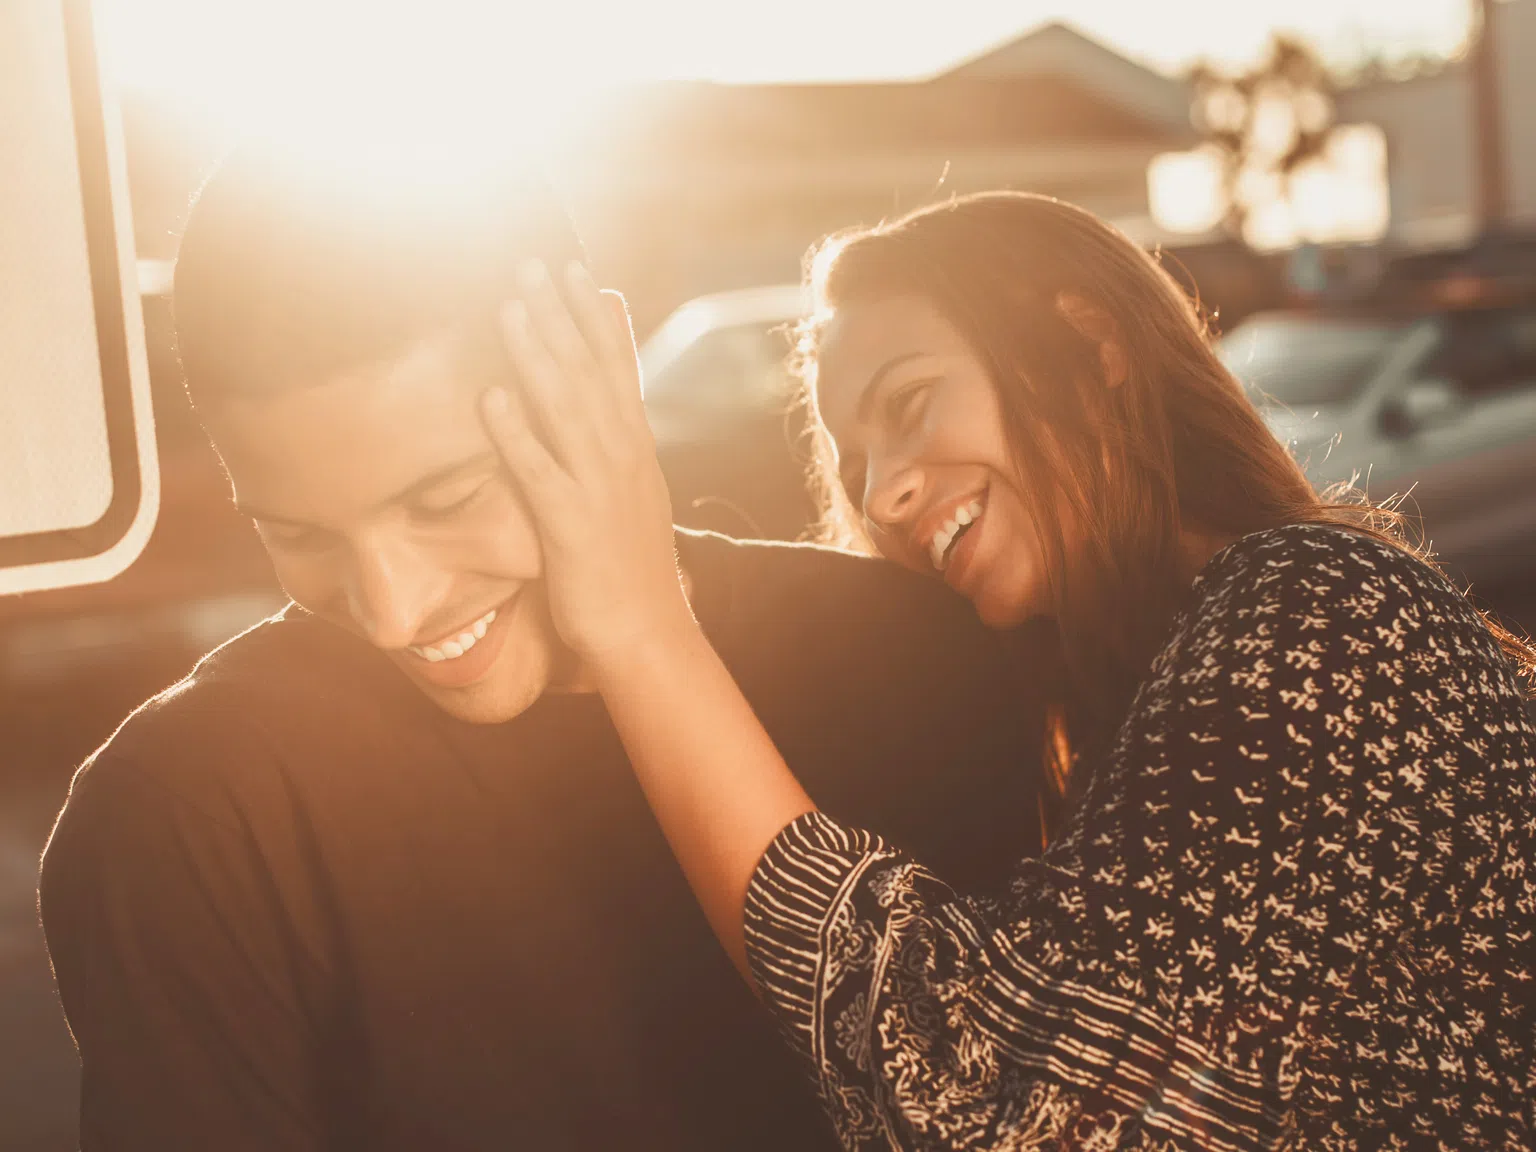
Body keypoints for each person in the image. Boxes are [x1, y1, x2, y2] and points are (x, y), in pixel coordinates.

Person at [37, 138, 1062, 1151]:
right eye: (298, 535)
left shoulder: (916, 664)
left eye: (446, 498)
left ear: (600, 369)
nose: (393, 610)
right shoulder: (183, 821)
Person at [482, 191, 1536, 1149]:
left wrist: (641, 624)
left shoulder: (1323, 615)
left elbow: (999, 1103)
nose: (886, 493)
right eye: (855, 470)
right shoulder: (1122, 717)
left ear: (1091, 344)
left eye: (910, 405)